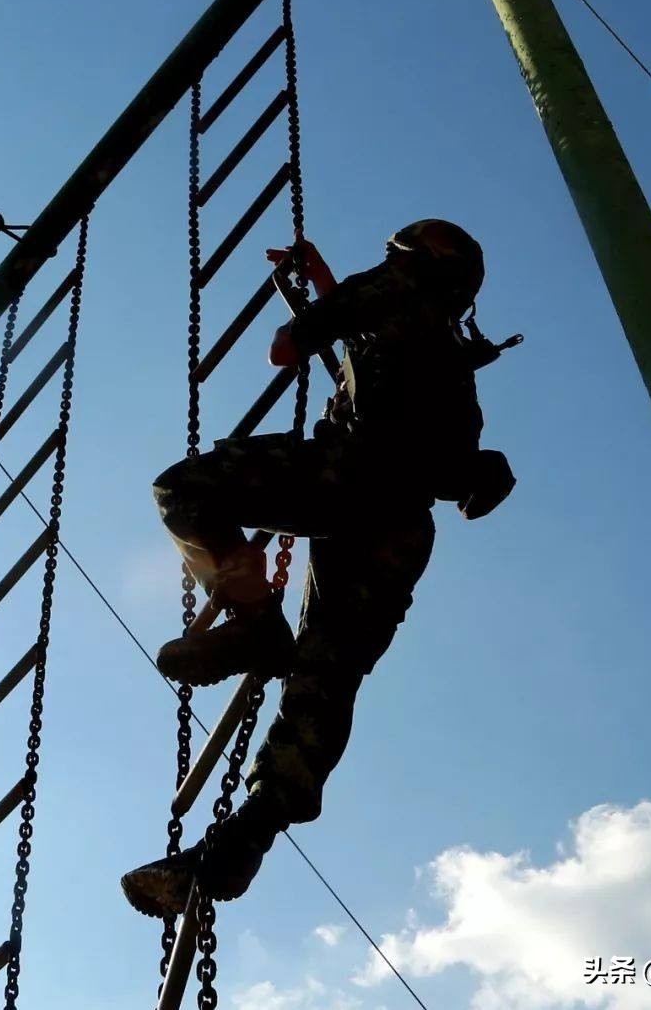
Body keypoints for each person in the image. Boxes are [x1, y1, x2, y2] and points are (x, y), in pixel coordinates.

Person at [121, 219, 516, 918]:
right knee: (325, 678)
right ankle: (240, 844)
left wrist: (312, 310)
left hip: (346, 476)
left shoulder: (392, 288)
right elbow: (369, 343)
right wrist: (323, 281)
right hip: (400, 527)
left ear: (409, 256)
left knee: (183, 490)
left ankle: (255, 623)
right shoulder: (450, 358)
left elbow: (291, 346)